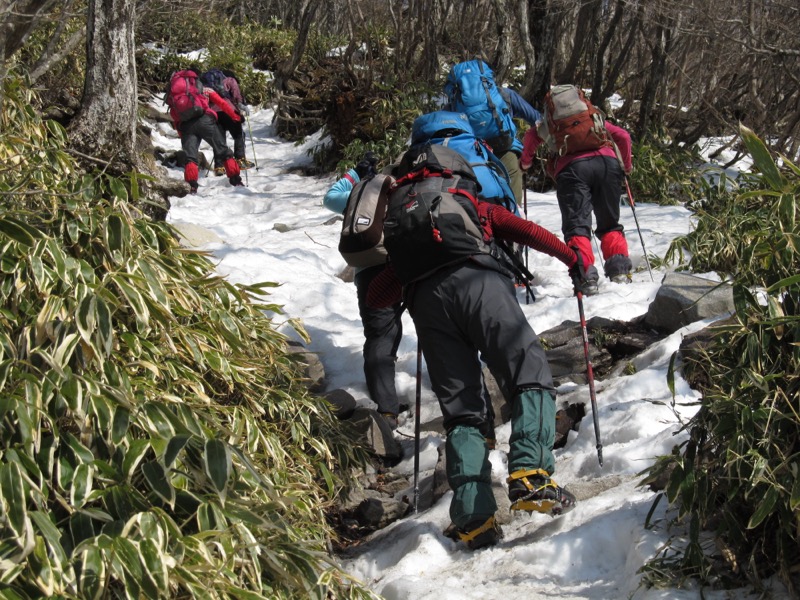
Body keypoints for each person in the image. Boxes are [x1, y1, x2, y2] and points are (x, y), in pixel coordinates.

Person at [367, 169, 587, 550]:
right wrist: (572, 258)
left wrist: (412, 273)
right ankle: (531, 474)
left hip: (428, 305)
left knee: (462, 411)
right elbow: (526, 230)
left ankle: (473, 517)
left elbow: (377, 296)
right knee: (527, 370)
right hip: (480, 285)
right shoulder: (472, 206)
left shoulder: (406, 228)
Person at [323, 152, 405, 429]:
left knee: (380, 335)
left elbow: (331, 198)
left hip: (371, 271)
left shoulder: (370, 194)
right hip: (411, 267)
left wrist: (355, 174)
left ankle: (387, 410)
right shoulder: (413, 190)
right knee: (435, 330)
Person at [519, 99, 634, 293]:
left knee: (577, 226)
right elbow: (623, 136)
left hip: (572, 170)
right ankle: (619, 272)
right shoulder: (590, 119)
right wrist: (626, 167)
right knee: (609, 223)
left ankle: (586, 276)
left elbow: (531, 138)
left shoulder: (551, 123)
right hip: (607, 165)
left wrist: (525, 163)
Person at [166, 69, 243, 192]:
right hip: (205, 120)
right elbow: (221, 103)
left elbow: (175, 114)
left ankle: (191, 185)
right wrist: (235, 116)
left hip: (186, 125)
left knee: (190, 157)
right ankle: (236, 180)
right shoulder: (202, 88)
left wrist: (181, 133)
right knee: (223, 150)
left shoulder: (176, 93)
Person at [200, 68, 255, 175]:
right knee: (239, 134)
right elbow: (236, 95)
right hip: (229, 110)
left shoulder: (207, 82)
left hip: (214, 113)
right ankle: (240, 160)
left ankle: (219, 166)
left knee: (219, 140)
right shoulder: (230, 80)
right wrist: (241, 105)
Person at [498, 86, 543, 205]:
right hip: (503, 149)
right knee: (513, 200)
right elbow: (536, 119)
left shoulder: (458, 93)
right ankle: (514, 216)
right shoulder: (505, 94)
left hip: (470, 151)